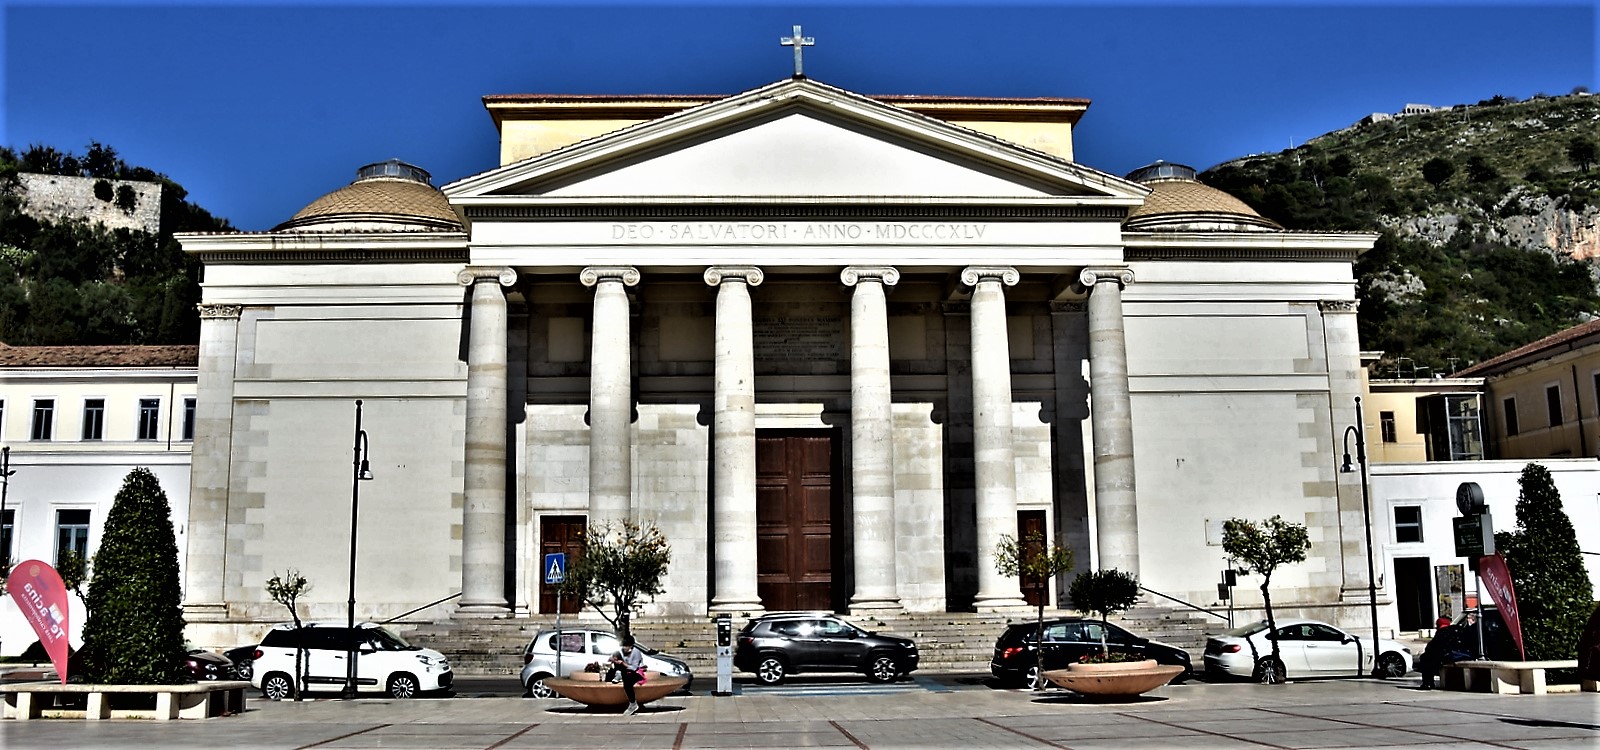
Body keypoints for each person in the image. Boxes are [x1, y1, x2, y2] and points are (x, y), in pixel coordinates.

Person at [1419, 610, 1480, 689]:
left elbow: (1431, 648)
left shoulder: (1441, 632)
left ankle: (1427, 683)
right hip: (1464, 654)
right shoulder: (1457, 630)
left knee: (1425, 658)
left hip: (1449, 655)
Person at [605, 635, 646, 715]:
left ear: (631, 646)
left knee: (627, 683)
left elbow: (634, 668)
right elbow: (609, 658)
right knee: (612, 672)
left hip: (634, 672)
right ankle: (618, 675)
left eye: (626, 646)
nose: (624, 648)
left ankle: (633, 703)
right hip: (623, 671)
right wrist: (613, 659)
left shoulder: (636, 653)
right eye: (624, 646)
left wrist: (623, 663)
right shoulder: (620, 651)